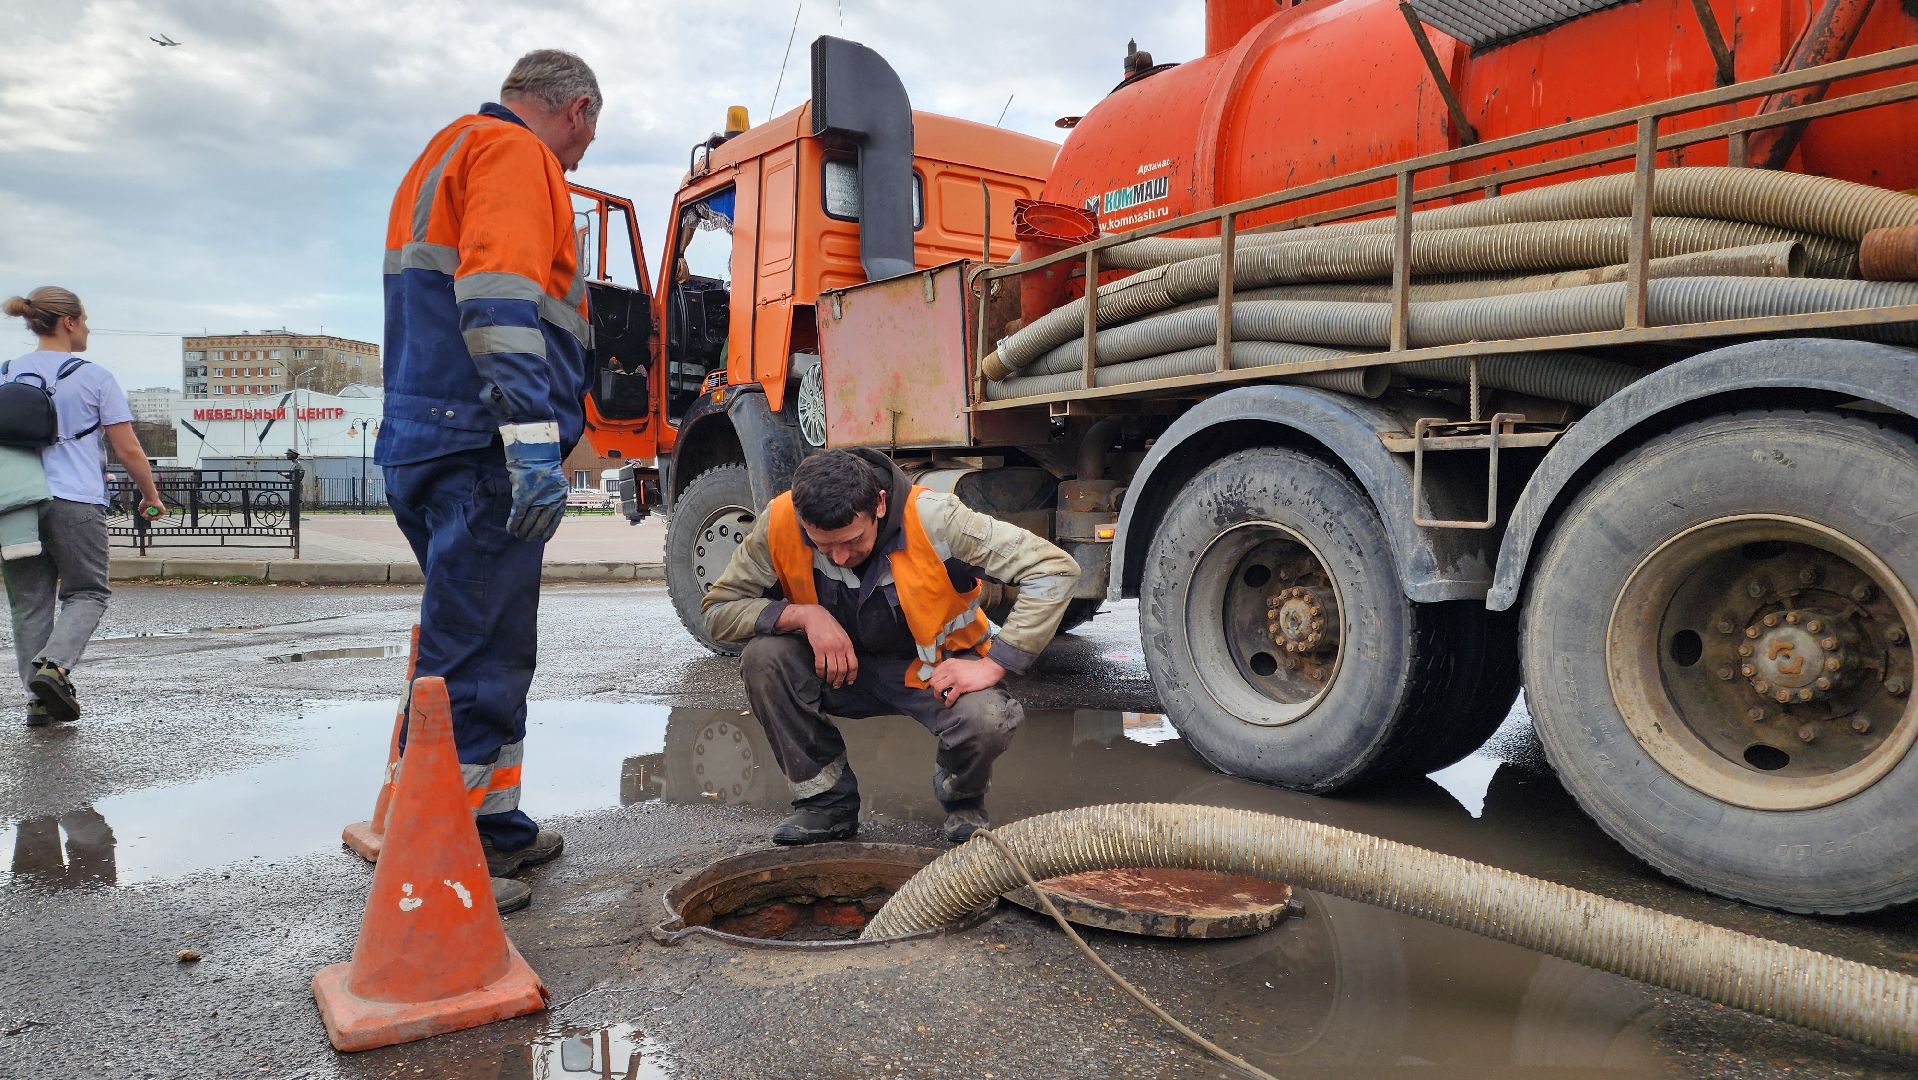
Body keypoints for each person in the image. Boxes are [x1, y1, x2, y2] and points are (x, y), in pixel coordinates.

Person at [379, 49, 601, 913]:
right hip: (479, 446)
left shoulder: (441, 153)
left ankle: (491, 825)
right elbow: (498, 298)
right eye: (583, 140)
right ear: (575, 110)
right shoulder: (516, 155)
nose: (576, 163)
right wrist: (531, 440)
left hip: (427, 436)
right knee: (470, 654)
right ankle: (443, 860)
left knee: (479, 643)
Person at [702, 448, 1082, 845]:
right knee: (764, 659)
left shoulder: (938, 520)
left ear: (879, 505)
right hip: (837, 671)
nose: (841, 557)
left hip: (932, 673)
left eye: (852, 541)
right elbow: (718, 611)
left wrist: (994, 665)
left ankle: (963, 799)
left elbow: (1054, 569)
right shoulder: (779, 523)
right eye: (824, 546)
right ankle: (824, 805)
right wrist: (804, 616)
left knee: (987, 716)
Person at [1, 288, 164, 727]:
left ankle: (37, 700)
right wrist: (150, 495)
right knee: (87, 592)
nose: (88, 328)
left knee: (29, 604)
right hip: (75, 500)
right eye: (86, 320)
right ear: (68, 322)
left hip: (15, 505)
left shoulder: (5, 374)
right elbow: (128, 448)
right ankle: (53, 669)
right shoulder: (95, 378)